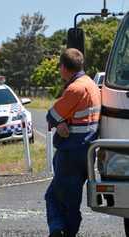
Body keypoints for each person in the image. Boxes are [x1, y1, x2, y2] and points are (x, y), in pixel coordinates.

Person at [45, 48, 101, 237]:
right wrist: (62, 121)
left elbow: (52, 115)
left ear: (64, 67)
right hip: (87, 152)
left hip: (70, 152)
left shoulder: (75, 88)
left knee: (55, 197)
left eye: (60, 67)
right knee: (71, 199)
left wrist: (58, 121)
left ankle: (58, 230)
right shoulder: (91, 84)